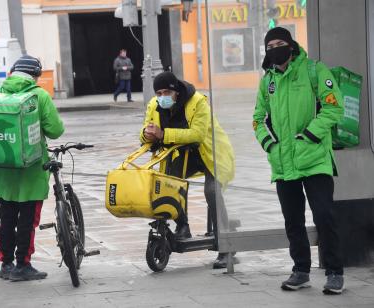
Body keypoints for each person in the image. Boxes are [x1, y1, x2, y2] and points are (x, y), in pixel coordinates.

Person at [253, 27, 345, 294]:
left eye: (280, 43)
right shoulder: (267, 80)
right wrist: (269, 143)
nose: (275, 49)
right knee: (292, 220)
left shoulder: (315, 71)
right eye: (270, 46)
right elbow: (258, 118)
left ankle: (335, 272)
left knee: (324, 216)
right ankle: (301, 270)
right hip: (283, 164)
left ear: (291, 45)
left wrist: (310, 135)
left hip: (315, 159)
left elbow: (334, 107)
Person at [140, 71, 236, 269]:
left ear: (175, 91)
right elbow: (145, 132)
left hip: (211, 153)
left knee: (211, 191)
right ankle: (182, 226)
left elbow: (198, 134)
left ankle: (226, 245)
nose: (162, 97)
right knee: (167, 184)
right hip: (182, 154)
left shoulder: (197, 102)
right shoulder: (154, 105)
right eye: (158, 93)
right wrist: (146, 134)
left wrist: (163, 134)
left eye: (166, 92)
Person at [0, 55, 65, 281]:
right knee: (27, 219)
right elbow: (55, 130)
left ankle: (5, 264)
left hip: (4, 168)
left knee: (6, 217)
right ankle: (22, 265)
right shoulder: (39, 95)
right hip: (32, 170)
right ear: (35, 76)